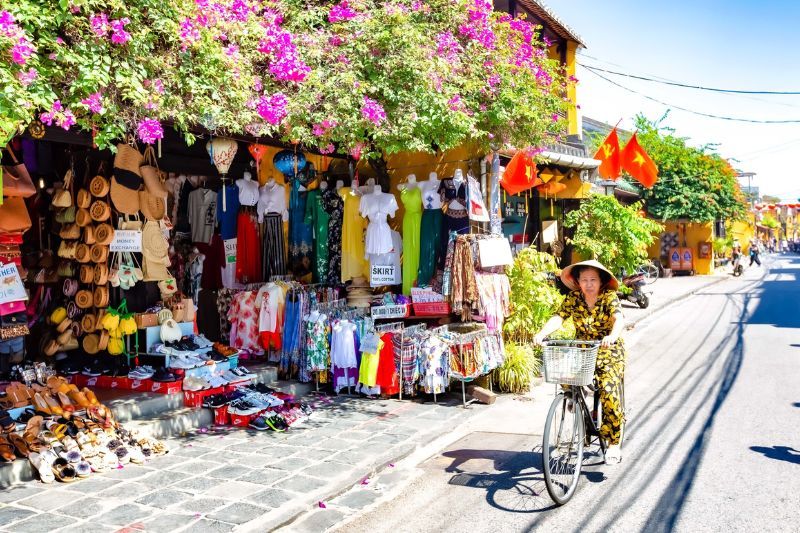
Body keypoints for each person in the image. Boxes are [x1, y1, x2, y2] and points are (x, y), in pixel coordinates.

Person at [533, 260, 626, 465]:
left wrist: (612, 336)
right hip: (583, 348)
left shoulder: (608, 298)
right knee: (563, 373)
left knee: (609, 390)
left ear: (601, 281)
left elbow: (619, 319)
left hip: (608, 348)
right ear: (578, 282)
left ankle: (613, 443)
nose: (589, 284)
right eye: (584, 280)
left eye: (593, 279)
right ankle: (577, 395)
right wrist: (542, 333)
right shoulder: (573, 298)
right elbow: (559, 317)